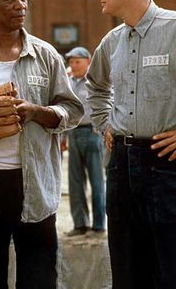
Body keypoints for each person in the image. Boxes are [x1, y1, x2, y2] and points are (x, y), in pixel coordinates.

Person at [0, 0, 83, 289]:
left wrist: (36, 112)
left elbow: (73, 109)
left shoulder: (46, 55)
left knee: (40, 274)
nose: (21, 5)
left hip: (35, 183)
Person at [86, 0, 176, 289]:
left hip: (169, 166)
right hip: (120, 167)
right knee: (128, 273)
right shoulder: (111, 42)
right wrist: (104, 123)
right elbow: (95, 86)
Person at [65, 46, 106, 237]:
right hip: (73, 133)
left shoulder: (95, 81)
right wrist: (62, 137)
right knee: (75, 181)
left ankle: (99, 225)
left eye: (77, 61)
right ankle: (80, 224)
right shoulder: (68, 83)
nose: (73, 65)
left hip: (93, 133)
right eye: (71, 62)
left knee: (97, 181)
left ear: (88, 62)